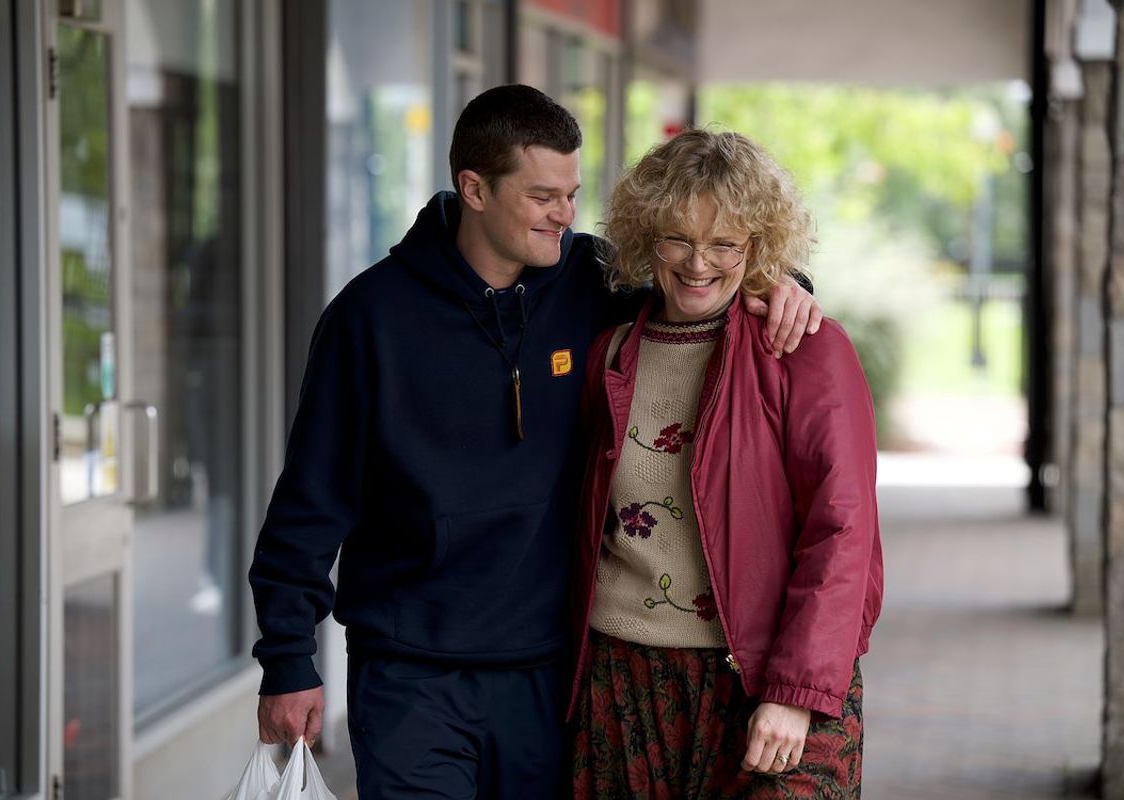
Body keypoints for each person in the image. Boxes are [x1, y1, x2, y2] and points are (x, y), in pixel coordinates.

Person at [248, 86, 822, 798]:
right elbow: (309, 502)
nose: (565, 214)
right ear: (475, 189)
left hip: (550, 673)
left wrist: (787, 283)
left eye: (572, 195)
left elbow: (703, 278)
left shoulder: (592, 281)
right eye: (543, 196)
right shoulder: (369, 319)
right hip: (409, 673)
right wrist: (287, 660)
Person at [568, 128, 884, 799]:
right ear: (647, 235)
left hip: (768, 679)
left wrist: (795, 691)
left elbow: (843, 532)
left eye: (724, 245)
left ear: (757, 246)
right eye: (677, 239)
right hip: (625, 683)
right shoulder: (609, 354)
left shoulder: (805, 349)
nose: (698, 263)